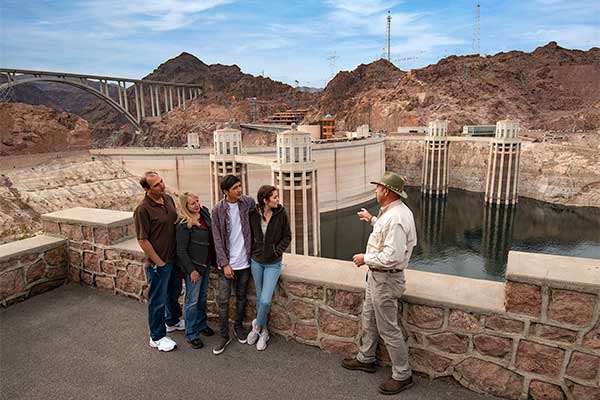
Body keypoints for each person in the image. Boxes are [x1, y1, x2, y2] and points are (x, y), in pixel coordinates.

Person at [340, 171, 417, 395]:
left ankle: (403, 375)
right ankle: (366, 358)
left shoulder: (396, 218)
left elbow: (392, 255)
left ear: (386, 191)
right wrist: (371, 219)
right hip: (377, 278)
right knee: (369, 318)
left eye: (377, 188)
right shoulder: (392, 213)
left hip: (386, 278)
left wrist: (366, 259)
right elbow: (386, 236)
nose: (375, 191)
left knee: (389, 329)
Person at [133, 171, 183, 352]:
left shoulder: (168, 199)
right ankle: (157, 336)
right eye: (156, 185)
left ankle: (173, 321)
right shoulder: (143, 210)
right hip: (158, 263)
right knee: (157, 300)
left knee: (174, 292)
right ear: (147, 189)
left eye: (161, 181)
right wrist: (159, 262)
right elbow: (142, 240)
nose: (162, 185)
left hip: (174, 258)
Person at [211, 174, 256, 355]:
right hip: (228, 264)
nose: (240, 190)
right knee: (223, 301)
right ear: (226, 191)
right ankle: (224, 335)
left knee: (241, 297)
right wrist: (224, 264)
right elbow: (217, 239)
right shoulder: (218, 210)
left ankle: (238, 327)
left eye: (240, 186)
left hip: (245, 262)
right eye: (236, 188)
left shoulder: (248, 203)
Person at [246, 185, 291, 350]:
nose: (277, 200)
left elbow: (287, 236)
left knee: (265, 300)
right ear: (265, 200)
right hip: (256, 261)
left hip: (273, 263)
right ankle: (264, 332)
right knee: (259, 298)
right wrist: (252, 251)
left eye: (277, 196)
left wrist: (275, 251)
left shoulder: (281, 213)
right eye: (274, 197)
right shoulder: (253, 214)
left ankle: (256, 326)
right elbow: (249, 235)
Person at [176, 192, 217, 349]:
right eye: (192, 203)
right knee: (191, 301)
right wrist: (191, 270)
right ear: (186, 206)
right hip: (194, 267)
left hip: (206, 264)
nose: (197, 205)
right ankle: (191, 333)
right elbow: (181, 250)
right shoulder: (183, 224)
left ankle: (201, 324)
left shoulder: (204, 212)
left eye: (197, 201)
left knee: (202, 297)